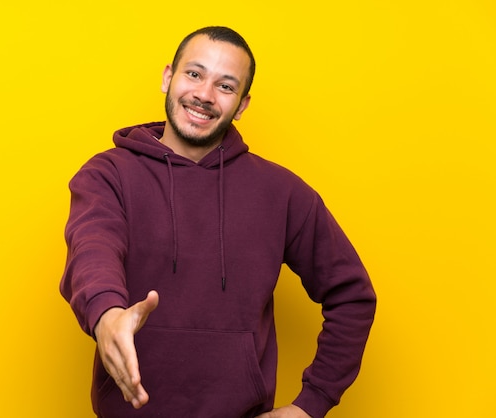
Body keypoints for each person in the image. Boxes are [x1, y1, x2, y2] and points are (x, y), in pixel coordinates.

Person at [60, 26, 376, 418]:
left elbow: (352, 295)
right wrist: (106, 316)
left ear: (242, 105)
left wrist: (310, 406)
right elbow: (92, 248)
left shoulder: (281, 192)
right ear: (167, 78)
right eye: (194, 74)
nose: (204, 95)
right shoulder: (109, 174)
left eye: (225, 86)